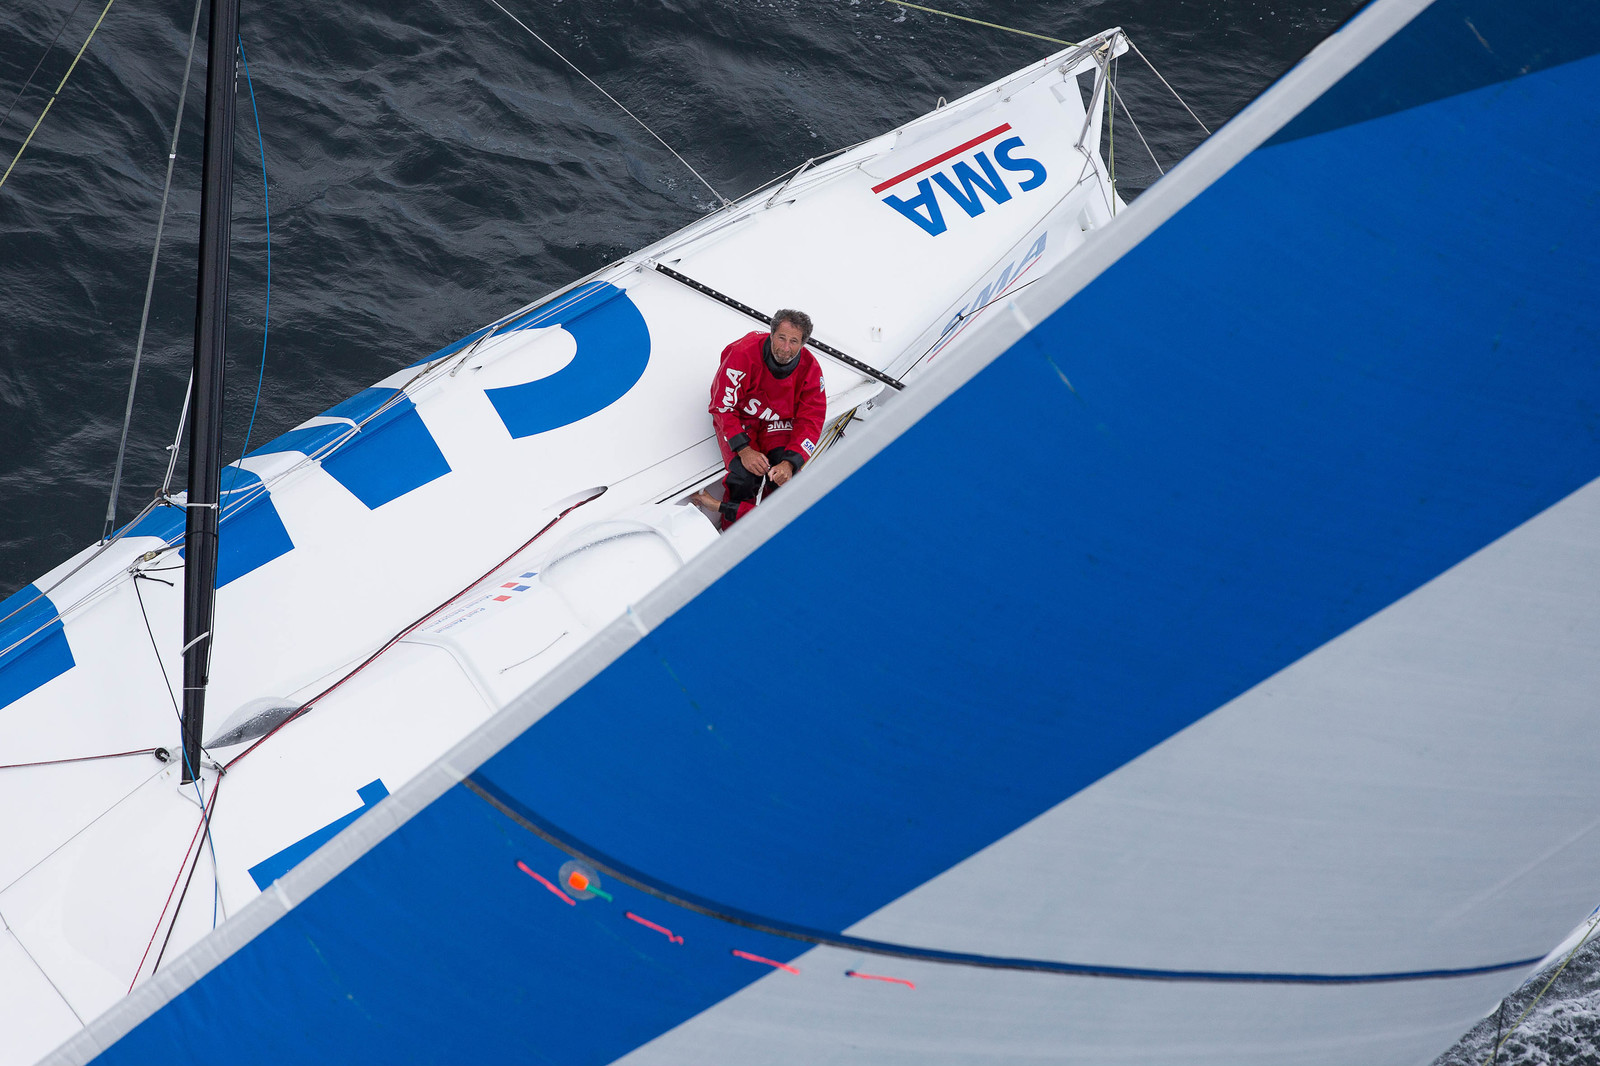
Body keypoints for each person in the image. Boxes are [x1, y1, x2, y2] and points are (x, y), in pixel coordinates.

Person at [694, 309, 826, 529]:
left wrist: (789, 463)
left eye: (794, 341)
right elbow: (722, 406)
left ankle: (766, 530)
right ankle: (732, 531)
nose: (785, 348)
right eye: (781, 338)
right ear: (771, 334)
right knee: (744, 478)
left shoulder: (811, 370)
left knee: (784, 480)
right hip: (741, 417)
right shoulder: (742, 354)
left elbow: (811, 420)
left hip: (777, 423)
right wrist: (744, 450)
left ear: (803, 343)